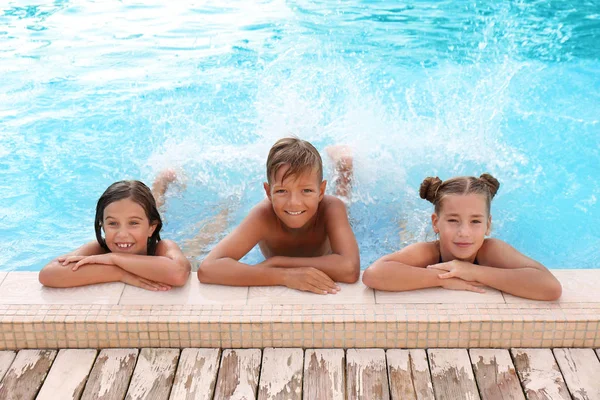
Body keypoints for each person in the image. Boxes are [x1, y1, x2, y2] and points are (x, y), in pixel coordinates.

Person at [197, 137, 360, 294]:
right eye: (282, 191)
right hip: (321, 259)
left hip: (327, 212)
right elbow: (207, 268)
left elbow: (350, 268)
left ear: (321, 191)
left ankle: (343, 169)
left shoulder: (330, 207)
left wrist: (277, 262)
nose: (294, 202)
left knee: (344, 203)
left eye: (307, 190)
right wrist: (284, 276)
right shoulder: (263, 216)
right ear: (268, 192)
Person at [362, 174, 562, 301]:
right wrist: (442, 279)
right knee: (401, 228)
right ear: (436, 223)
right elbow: (373, 274)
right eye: (453, 220)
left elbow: (550, 287)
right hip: (412, 240)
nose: (464, 232)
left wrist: (472, 271)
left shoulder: (491, 250)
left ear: (488, 225)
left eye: (475, 221)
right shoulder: (428, 252)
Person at [39, 180, 191, 290]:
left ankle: (162, 183)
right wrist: (120, 273)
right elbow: (48, 274)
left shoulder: (162, 247)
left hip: (184, 243)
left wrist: (113, 258)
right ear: (103, 225)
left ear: (152, 228)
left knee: (196, 243)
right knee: (143, 211)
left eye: (133, 223)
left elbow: (178, 274)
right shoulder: (99, 248)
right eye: (112, 223)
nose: (122, 234)